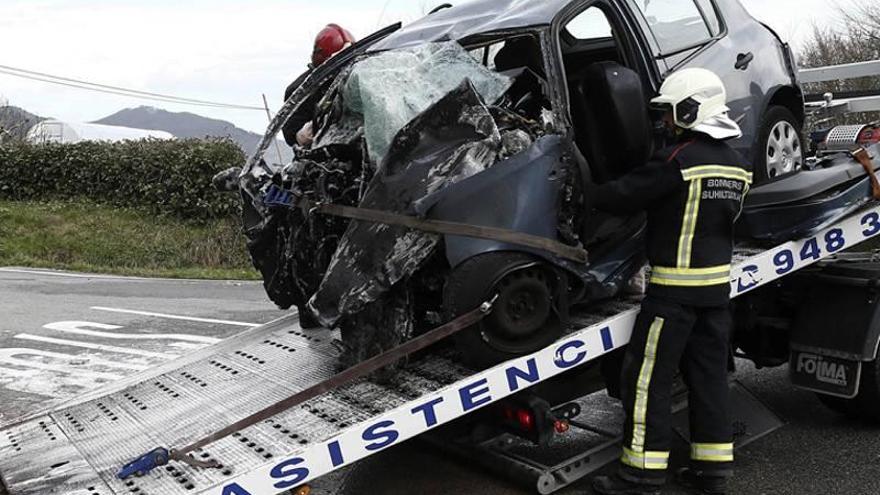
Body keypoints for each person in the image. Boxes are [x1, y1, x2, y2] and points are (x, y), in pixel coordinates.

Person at [589, 68, 751, 495]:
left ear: (692, 109)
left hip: (672, 299)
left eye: (672, 114)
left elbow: (623, 195)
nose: (666, 123)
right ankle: (712, 471)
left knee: (647, 383)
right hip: (716, 297)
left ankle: (640, 476)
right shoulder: (737, 165)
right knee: (710, 381)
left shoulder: (677, 160)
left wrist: (583, 190)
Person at [282, 24, 356, 148]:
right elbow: (292, 134)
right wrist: (309, 131)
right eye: (342, 62)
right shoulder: (299, 91)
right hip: (324, 157)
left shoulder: (358, 81)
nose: (347, 68)